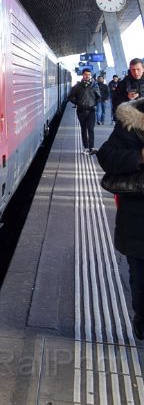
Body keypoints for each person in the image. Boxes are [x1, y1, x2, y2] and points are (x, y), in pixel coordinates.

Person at [96, 98, 144, 339]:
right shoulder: (131, 119)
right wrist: (139, 156)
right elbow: (106, 156)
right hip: (138, 219)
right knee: (141, 279)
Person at [70, 69, 101, 154]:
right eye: (85, 74)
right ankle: (86, 147)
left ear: (90, 75)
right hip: (81, 111)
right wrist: (78, 103)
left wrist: (94, 104)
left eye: (89, 74)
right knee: (84, 129)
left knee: (91, 129)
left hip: (91, 111)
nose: (87, 76)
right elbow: (70, 97)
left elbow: (99, 97)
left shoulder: (94, 85)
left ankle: (92, 147)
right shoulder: (77, 86)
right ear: (83, 75)